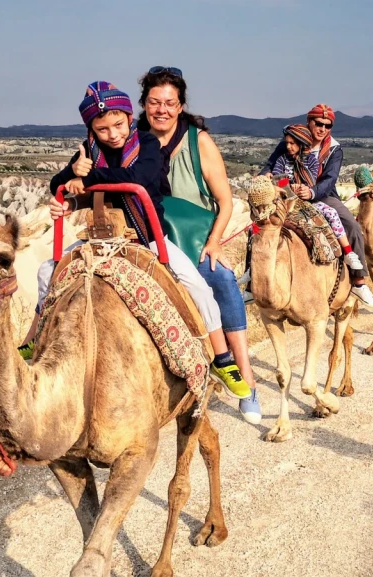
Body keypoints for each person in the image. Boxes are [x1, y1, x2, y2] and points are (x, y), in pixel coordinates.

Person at [45, 81, 251, 399]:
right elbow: (56, 184)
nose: (113, 134)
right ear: (91, 129)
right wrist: (71, 173)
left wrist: (87, 178)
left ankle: (222, 359)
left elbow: (137, 179)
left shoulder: (146, 144)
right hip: (103, 236)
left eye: (118, 125)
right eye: (103, 129)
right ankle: (40, 337)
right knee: (49, 270)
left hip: (146, 237)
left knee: (198, 286)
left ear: (129, 117)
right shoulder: (89, 152)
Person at [137, 67, 261, 424]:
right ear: (144, 104)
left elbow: (225, 200)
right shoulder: (134, 138)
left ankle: (245, 376)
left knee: (221, 279)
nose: (161, 109)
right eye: (154, 102)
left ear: (180, 105)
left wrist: (215, 241)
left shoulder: (198, 141)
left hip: (194, 239)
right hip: (148, 235)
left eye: (169, 103)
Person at [258, 104, 373, 309]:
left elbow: (330, 180)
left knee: (353, 226)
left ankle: (359, 281)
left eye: (327, 125)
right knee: (259, 224)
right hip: (287, 193)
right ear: (309, 122)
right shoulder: (292, 139)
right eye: (319, 123)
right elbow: (271, 164)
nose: (322, 129)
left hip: (322, 195)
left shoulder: (334, 149)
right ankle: (254, 281)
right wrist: (264, 176)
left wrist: (312, 192)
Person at [272, 124, 364, 271]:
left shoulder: (312, 161)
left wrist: (302, 188)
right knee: (259, 226)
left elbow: (311, 182)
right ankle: (252, 269)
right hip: (285, 201)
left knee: (332, 213)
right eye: (287, 143)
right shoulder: (282, 160)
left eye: (292, 143)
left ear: (301, 144)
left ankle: (348, 252)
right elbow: (278, 179)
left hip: (307, 200)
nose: (288, 146)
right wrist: (289, 187)